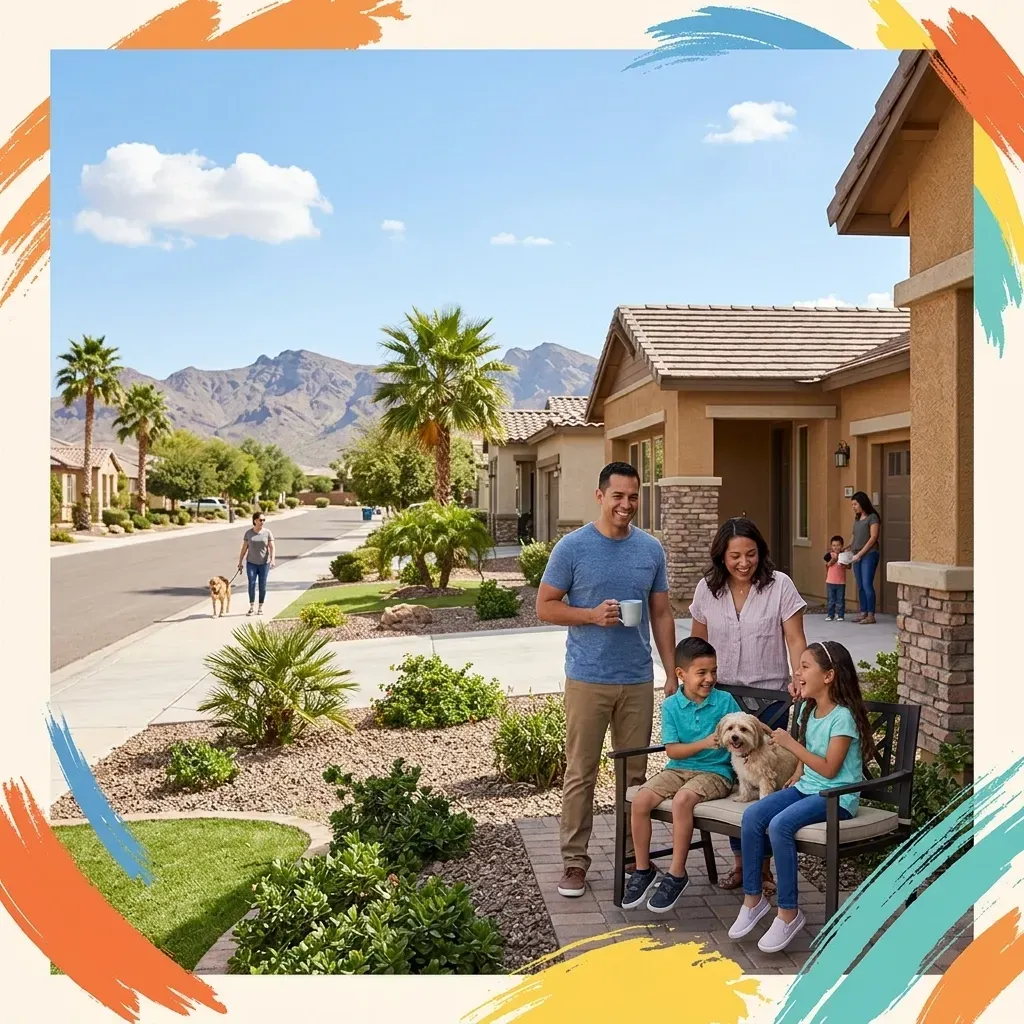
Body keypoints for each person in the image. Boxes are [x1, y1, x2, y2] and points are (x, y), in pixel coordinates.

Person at [536, 461, 677, 900]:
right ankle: (574, 864)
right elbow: (545, 606)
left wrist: (672, 672)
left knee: (635, 777)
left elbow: (661, 612)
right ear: (600, 496)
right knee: (581, 773)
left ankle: (633, 862)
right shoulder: (572, 548)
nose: (626, 504)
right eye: (617, 496)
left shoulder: (650, 550)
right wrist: (591, 616)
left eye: (633, 496)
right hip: (587, 679)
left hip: (637, 680)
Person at [728, 640, 876, 952]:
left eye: (805, 667)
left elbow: (831, 768)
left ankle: (788, 912)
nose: (798, 671)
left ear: (829, 676)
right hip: (808, 788)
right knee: (753, 815)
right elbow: (808, 759)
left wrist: (791, 745)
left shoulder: (842, 717)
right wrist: (796, 773)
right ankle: (753, 899)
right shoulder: (811, 710)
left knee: (780, 825)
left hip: (836, 797)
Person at [688, 517, 807, 894]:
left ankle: (765, 868)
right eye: (735, 555)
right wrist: (691, 685)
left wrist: (800, 677)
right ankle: (742, 865)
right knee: (736, 786)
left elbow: (795, 639)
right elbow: (697, 647)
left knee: (765, 784)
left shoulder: (780, 586)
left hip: (770, 701)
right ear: (721, 556)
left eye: (751, 554)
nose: (744, 562)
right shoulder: (707, 590)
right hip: (723, 701)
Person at [622, 637, 740, 913]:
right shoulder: (671, 706)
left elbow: (744, 730)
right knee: (640, 800)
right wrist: (705, 742)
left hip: (716, 772)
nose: (709, 678)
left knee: (682, 800)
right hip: (678, 769)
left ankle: (677, 874)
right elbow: (673, 752)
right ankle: (643, 870)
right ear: (681, 674)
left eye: (713, 671)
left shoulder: (725, 701)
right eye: (701, 673)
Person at [849, 492, 881, 624]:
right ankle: (863, 612)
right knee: (860, 585)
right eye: (852, 505)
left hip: (869, 555)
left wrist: (860, 553)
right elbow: (854, 536)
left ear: (862, 503)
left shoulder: (872, 517)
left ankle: (871, 615)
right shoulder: (857, 518)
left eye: (855, 504)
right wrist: (847, 548)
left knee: (867, 584)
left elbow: (873, 538)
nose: (854, 507)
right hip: (856, 555)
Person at [237, 511, 275, 616]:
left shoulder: (267, 533)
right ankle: (251, 607)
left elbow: (272, 547)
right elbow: (244, 548)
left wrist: (272, 559)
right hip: (251, 563)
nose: (262, 522)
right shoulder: (248, 533)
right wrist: (240, 561)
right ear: (255, 520)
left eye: (264, 520)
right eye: (260, 520)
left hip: (264, 563)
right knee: (251, 583)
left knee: (262, 585)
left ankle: (260, 607)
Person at [823, 535, 849, 622]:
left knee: (840, 600)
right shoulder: (829, 555)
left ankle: (840, 615)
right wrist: (834, 559)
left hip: (841, 582)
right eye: (834, 545)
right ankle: (830, 615)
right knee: (831, 600)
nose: (836, 547)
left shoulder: (844, 555)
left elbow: (849, 566)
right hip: (830, 581)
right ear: (831, 546)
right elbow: (828, 564)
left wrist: (844, 563)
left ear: (841, 546)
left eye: (838, 545)